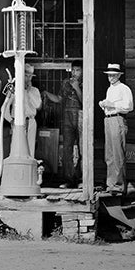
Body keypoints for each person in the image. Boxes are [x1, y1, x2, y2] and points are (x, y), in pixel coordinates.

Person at [98, 63, 133, 194]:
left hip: (118, 119)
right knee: (110, 154)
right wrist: (103, 105)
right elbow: (109, 106)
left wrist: (112, 105)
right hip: (108, 119)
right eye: (109, 76)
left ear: (119, 75)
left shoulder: (124, 88)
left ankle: (119, 186)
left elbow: (129, 106)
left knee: (118, 154)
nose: (111, 78)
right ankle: (111, 185)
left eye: (113, 75)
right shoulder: (110, 89)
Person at [3, 62, 42, 157]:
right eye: (26, 76)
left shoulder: (34, 91)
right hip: (18, 122)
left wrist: (28, 92)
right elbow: (4, 107)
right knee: (17, 149)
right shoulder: (13, 90)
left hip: (31, 121)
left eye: (30, 76)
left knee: (30, 149)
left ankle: (29, 170)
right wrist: (11, 120)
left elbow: (38, 106)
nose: (28, 79)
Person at [59, 59, 83, 188]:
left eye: (77, 70)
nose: (74, 73)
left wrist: (77, 87)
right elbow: (60, 99)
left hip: (80, 115)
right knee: (67, 148)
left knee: (81, 148)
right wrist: (46, 94)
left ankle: (81, 179)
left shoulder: (85, 82)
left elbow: (85, 101)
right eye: (73, 70)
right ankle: (69, 179)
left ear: (82, 72)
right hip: (67, 116)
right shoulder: (65, 83)